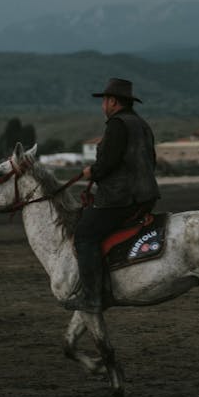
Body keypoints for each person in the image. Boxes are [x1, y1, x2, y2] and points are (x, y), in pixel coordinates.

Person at [64, 78, 160, 313]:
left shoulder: (117, 124)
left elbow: (108, 162)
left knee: (84, 235)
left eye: (105, 101)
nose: (103, 106)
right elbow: (151, 160)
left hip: (122, 198)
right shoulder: (141, 124)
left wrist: (91, 172)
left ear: (113, 102)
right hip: (146, 195)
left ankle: (92, 297)